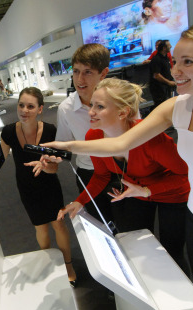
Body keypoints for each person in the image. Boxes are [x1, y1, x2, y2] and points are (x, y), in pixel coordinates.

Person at [42, 22, 193, 310]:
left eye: (188, 62)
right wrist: (65, 147)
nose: (175, 71)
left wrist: (147, 189)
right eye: (175, 61)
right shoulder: (177, 108)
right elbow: (121, 144)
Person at [56, 77, 190, 271]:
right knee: (137, 245)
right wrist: (80, 200)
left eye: (99, 106)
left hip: (172, 193)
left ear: (123, 112)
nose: (91, 112)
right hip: (137, 192)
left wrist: (147, 190)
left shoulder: (151, 139)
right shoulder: (93, 137)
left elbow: (185, 175)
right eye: (92, 105)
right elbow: (101, 176)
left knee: (172, 251)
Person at [0, 87, 77, 286]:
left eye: (30, 106)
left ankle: (68, 264)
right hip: (26, 188)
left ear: (40, 109)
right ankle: (48, 263)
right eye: (21, 105)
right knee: (40, 227)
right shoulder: (8, 132)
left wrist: (45, 166)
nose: (24, 110)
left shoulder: (50, 131)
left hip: (49, 185)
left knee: (58, 224)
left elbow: (55, 169)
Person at [55, 43, 114, 223]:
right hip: (89, 173)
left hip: (122, 171)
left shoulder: (120, 100)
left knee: (130, 227)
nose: (80, 79)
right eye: (76, 71)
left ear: (103, 73)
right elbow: (63, 147)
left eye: (87, 72)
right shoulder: (66, 108)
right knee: (102, 225)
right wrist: (50, 158)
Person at [148, 40, 175, 112]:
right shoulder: (156, 59)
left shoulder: (166, 58)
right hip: (158, 89)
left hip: (165, 87)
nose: (171, 46)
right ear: (164, 48)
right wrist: (169, 82)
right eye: (169, 45)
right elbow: (156, 75)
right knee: (160, 107)